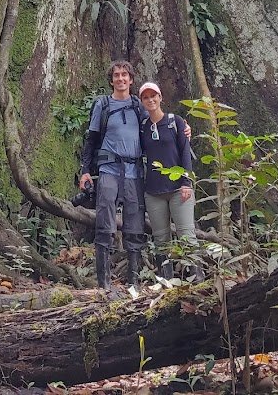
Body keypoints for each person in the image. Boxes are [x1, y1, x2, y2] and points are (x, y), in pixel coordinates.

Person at [79, 60, 146, 290]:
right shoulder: (103, 105)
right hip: (108, 170)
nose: (120, 79)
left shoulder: (139, 106)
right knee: (105, 222)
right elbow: (92, 138)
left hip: (134, 171)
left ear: (131, 79)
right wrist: (85, 171)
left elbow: (156, 124)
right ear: (111, 80)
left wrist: (181, 126)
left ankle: (133, 283)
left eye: (124, 75)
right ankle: (104, 284)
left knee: (135, 223)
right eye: (116, 75)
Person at [138, 81, 203, 281]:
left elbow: (185, 153)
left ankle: (196, 280)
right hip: (154, 191)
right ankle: (166, 281)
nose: (150, 100)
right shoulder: (142, 127)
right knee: (161, 239)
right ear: (142, 102)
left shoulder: (176, 122)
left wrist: (187, 183)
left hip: (178, 189)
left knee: (186, 235)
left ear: (160, 98)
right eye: (146, 97)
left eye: (153, 96)